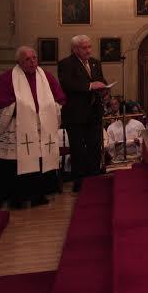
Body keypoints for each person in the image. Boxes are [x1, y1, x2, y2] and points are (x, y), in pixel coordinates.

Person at [0, 47, 66, 208]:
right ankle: (18, 198)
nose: (32, 62)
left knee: (40, 161)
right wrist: (20, 108)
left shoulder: (46, 76)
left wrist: (51, 107)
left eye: (34, 58)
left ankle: (38, 195)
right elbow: (2, 102)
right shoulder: (8, 78)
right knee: (16, 164)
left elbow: (59, 98)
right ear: (19, 62)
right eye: (27, 59)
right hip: (18, 127)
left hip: (40, 127)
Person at [58, 35, 109, 192]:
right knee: (78, 149)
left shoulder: (95, 63)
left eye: (89, 47)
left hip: (94, 112)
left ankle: (94, 179)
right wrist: (90, 86)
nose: (88, 50)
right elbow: (67, 84)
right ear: (75, 49)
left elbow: (101, 80)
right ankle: (79, 182)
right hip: (76, 114)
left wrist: (105, 89)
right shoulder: (66, 63)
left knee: (94, 146)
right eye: (84, 47)